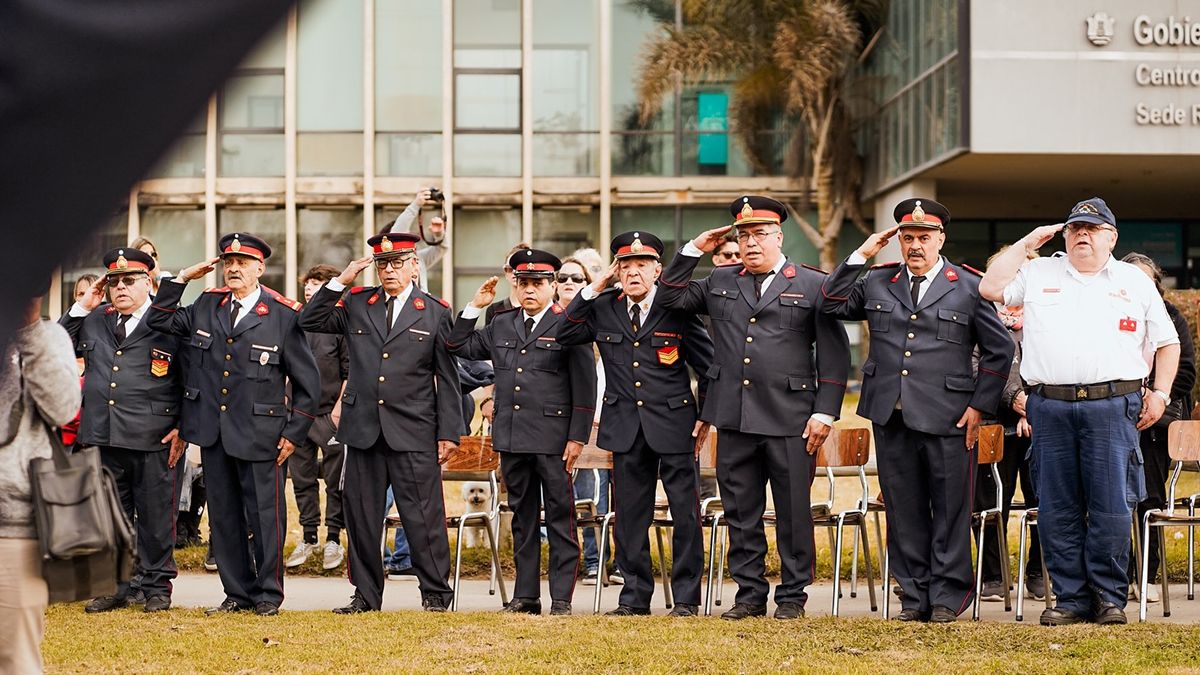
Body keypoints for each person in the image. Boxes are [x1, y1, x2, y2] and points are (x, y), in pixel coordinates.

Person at [979, 197, 1180, 626]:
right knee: (1057, 507)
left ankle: (1108, 598)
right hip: (1050, 406)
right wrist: (1027, 242)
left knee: (1111, 506)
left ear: (1112, 237)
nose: (1082, 235)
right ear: (1064, 235)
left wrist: (1160, 393)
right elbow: (991, 288)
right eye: (1074, 228)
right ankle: (1069, 599)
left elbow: (1168, 342)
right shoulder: (1037, 272)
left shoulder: (1133, 280)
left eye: (1092, 228)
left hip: (1112, 406)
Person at [656, 195, 852, 620]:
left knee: (793, 513)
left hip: (791, 418)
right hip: (735, 414)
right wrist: (692, 251)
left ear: (779, 236)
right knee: (741, 512)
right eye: (743, 235)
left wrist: (825, 412)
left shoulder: (813, 283)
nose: (750, 243)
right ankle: (748, 594)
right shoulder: (721, 281)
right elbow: (670, 299)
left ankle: (792, 597)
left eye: (760, 234)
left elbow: (835, 355)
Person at [822, 198, 1013, 623]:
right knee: (903, 510)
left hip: (950, 416)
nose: (915, 246)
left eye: (924, 238)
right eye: (907, 238)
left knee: (949, 510)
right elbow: (830, 303)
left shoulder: (967, 285)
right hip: (891, 413)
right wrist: (860, 255)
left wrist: (980, 405)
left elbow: (1000, 350)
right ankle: (913, 595)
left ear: (940, 239)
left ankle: (948, 596)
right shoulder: (877, 281)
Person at [146, 232, 321, 617]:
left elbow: (309, 386)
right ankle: (236, 592)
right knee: (223, 518)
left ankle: (267, 595)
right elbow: (158, 320)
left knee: (265, 517)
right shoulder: (206, 306)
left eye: (242, 263)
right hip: (213, 432)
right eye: (228, 262)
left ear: (260, 268)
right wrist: (180, 281)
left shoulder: (282, 314)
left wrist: (294, 432)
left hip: (263, 435)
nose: (234, 268)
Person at [300, 232, 463, 614]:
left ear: (414, 266)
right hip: (363, 429)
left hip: (414, 429)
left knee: (423, 517)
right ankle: (366, 596)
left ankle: (436, 595)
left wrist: (449, 432)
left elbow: (448, 377)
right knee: (362, 518)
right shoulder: (358, 302)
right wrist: (341, 280)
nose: (389, 270)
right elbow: (310, 318)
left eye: (397, 263)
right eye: (383, 264)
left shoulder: (435, 311)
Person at [558, 231, 715, 617]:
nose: (633, 273)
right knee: (630, 517)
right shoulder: (605, 306)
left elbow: (709, 366)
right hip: (626, 427)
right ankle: (634, 598)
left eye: (641, 265)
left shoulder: (675, 306)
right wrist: (595, 287)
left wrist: (706, 415)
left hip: (676, 425)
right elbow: (564, 333)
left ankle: (686, 599)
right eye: (625, 266)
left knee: (685, 514)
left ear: (658, 270)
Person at [447, 249, 595, 616]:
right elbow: (457, 346)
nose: (530, 290)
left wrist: (577, 438)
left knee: (560, 519)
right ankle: (525, 596)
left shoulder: (568, 325)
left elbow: (585, 386)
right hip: (512, 437)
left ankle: (561, 598)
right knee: (523, 519)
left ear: (552, 286)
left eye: (538, 283)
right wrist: (474, 307)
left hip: (553, 440)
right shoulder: (501, 322)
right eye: (524, 283)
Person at [60, 248, 186, 613]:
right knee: (110, 516)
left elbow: (191, 377)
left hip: (153, 435)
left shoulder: (168, 321)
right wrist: (84, 303)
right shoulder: (96, 319)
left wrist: (183, 426)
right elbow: (56, 341)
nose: (120, 288)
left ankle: (157, 586)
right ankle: (117, 586)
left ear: (149, 283)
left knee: (156, 516)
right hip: (103, 433)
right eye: (114, 282)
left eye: (129, 280)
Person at [0, 290, 81, 673]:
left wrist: (29, 329)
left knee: (15, 657)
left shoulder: (48, 338)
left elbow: (64, 407)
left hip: (13, 529)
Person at [1121, 252, 1196, 602]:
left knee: (1149, 499)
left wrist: (1154, 398)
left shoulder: (1172, 317)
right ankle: (1115, 576)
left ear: (1156, 284)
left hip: (1156, 424)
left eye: (1145, 280)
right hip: (1114, 418)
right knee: (1112, 502)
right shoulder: (1108, 310)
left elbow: (1186, 372)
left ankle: (1146, 575)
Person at [975, 247, 1046, 603]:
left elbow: (1057, 361)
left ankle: (1038, 573)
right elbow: (975, 364)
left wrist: (1033, 409)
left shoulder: (1050, 314)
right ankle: (992, 576)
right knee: (990, 506)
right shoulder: (981, 312)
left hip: (1041, 426)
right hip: (991, 424)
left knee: (1045, 502)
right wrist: (1018, 401)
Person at [284, 264, 349, 571]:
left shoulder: (339, 324)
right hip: (297, 415)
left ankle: (333, 538)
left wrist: (337, 413)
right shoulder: (294, 321)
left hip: (329, 414)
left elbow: (349, 372)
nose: (310, 289)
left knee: (336, 481)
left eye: (318, 284)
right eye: (308, 284)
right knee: (302, 479)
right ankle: (309, 537)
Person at [388, 189, 448, 293]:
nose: (412, 243)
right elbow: (397, 233)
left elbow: (442, 248)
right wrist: (415, 205)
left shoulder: (419, 258)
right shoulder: (392, 260)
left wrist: (439, 234)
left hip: (421, 305)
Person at [486, 243, 532, 325]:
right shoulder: (494, 310)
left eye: (519, 268)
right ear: (506, 273)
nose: (514, 272)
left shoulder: (538, 306)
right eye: (510, 269)